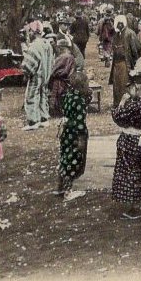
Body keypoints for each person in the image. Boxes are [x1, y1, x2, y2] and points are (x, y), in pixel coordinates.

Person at [111, 70, 141, 219]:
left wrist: (121, 102)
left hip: (129, 141)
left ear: (137, 88)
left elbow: (118, 118)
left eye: (131, 87)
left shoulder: (132, 106)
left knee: (130, 173)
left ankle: (135, 207)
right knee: (139, 171)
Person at [54, 71, 91, 200]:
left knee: (65, 157)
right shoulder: (79, 101)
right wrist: (81, 138)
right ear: (82, 86)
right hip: (75, 133)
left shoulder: (68, 96)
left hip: (66, 131)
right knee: (74, 160)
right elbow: (80, 121)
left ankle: (60, 186)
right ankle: (68, 191)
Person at [21, 28, 55, 130]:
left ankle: (33, 121)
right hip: (45, 74)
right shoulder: (47, 44)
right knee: (42, 96)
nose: (28, 34)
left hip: (36, 75)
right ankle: (44, 118)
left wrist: (25, 71)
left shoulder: (34, 45)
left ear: (33, 32)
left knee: (31, 96)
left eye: (29, 31)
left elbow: (29, 64)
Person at [109, 14, 141, 108]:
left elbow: (137, 48)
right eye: (117, 23)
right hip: (116, 63)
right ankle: (117, 103)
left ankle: (126, 103)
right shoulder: (116, 34)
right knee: (116, 83)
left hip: (125, 63)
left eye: (121, 23)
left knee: (125, 83)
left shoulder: (130, 33)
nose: (119, 25)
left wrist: (133, 61)